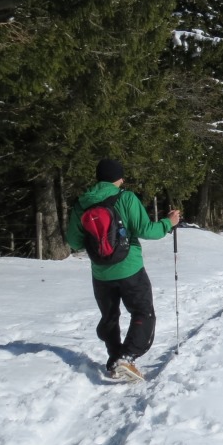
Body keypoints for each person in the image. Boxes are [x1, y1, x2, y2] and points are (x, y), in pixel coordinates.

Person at [66, 158, 180, 380]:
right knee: (142, 312)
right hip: (130, 268)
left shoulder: (82, 203)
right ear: (118, 177)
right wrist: (169, 223)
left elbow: (74, 241)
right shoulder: (126, 198)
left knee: (110, 316)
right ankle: (126, 358)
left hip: (100, 271)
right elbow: (147, 230)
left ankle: (114, 358)